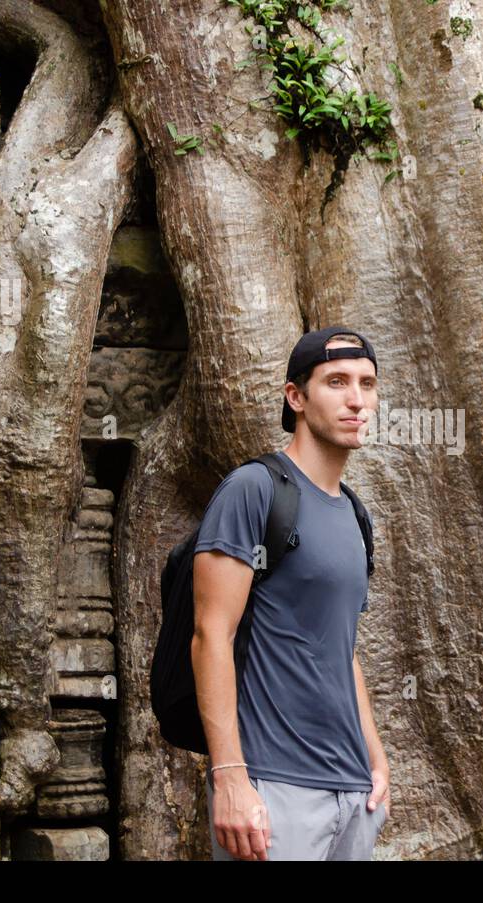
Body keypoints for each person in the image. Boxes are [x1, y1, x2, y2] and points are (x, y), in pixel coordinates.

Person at [192, 327, 390, 860]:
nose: (357, 399)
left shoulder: (354, 513)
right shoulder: (253, 490)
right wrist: (230, 778)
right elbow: (212, 633)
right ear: (295, 397)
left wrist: (375, 757)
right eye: (337, 382)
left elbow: (341, 647)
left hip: (354, 793)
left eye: (367, 384)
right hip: (274, 788)